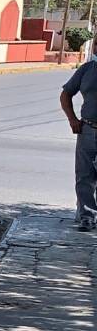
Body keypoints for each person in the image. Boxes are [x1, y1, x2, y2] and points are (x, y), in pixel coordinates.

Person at [62, 57, 97, 230]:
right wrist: (72, 120)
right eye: (96, 45)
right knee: (84, 176)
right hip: (88, 130)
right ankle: (87, 217)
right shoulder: (87, 69)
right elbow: (65, 94)